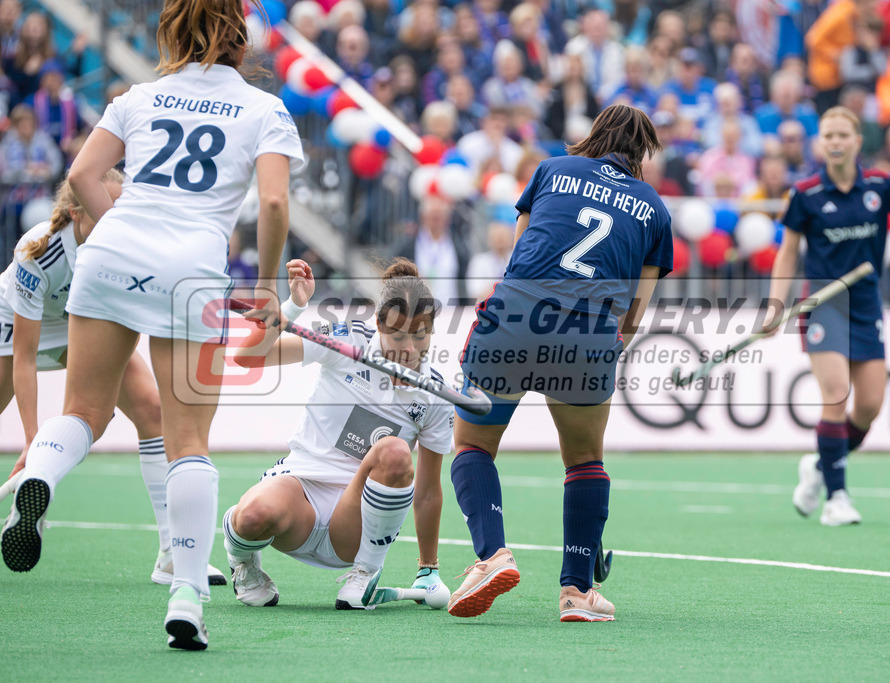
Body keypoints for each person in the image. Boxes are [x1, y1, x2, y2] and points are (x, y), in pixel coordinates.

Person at [1, 0, 304, 652]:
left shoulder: (139, 95)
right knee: (187, 438)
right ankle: (188, 598)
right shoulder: (262, 108)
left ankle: (39, 477)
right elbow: (275, 200)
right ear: (238, 34)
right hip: (188, 268)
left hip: (110, 253)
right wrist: (270, 287)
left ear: (172, 29)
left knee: (83, 409)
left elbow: (82, 173)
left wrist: (119, 239)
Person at [447, 104, 673, 622]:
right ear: (642, 153)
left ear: (594, 134)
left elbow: (522, 247)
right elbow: (636, 309)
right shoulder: (655, 208)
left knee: (474, 445)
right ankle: (576, 592)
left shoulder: (552, 169)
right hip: (589, 330)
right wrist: (609, 344)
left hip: (517, 313)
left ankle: (492, 555)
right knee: (585, 461)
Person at [0, 171, 226, 587]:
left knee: (153, 412)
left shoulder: (123, 252)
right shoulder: (39, 252)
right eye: (107, 211)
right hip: (16, 327)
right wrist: (31, 438)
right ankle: (41, 469)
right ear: (76, 213)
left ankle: (172, 556)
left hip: (79, 324)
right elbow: (25, 358)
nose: (118, 220)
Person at [225, 258, 454, 610]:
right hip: (300, 491)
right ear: (378, 324)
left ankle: (365, 574)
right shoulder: (345, 339)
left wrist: (428, 569)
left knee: (393, 451)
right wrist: (294, 305)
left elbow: (427, 492)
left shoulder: (434, 394)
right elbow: (247, 358)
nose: (408, 349)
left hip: (356, 525)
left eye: (419, 336)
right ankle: (242, 561)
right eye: (397, 335)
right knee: (252, 516)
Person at [765, 107, 890, 526]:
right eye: (827, 135)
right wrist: (777, 304)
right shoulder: (806, 193)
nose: (833, 142)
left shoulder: (880, 186)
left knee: (868, 407)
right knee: (836, 394)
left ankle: (819, 465)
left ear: (855, 141)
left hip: (866, 307)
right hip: (824, 306)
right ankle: (837, 497)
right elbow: (788, 251)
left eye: (842, 135)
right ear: (820, 142)